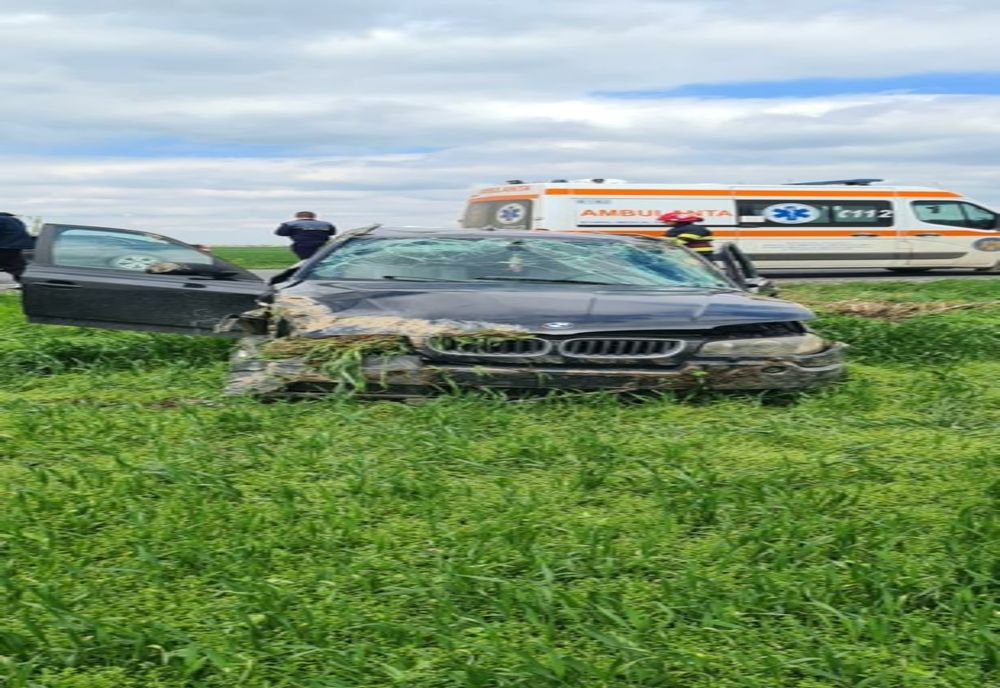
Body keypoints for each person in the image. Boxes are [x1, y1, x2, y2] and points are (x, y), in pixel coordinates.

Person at [0, 212, 34, 283]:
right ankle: (25, 282)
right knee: (17, 266)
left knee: (14, 265)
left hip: (4, 246)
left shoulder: (1, 219)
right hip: (17, 247)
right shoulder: (17, 221)